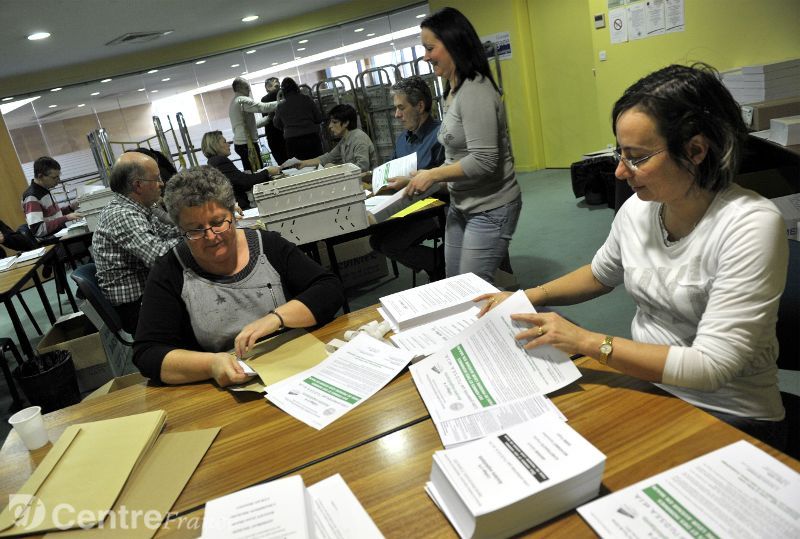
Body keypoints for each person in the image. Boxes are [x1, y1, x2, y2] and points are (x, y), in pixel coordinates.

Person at [479, 64, 789, 450]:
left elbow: (710, 367)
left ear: (695, 150)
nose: (621, 172)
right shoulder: (640, 210)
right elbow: (599, 274)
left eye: (637, 157)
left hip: (728, 413)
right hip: (648, 385)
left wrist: (587, 341)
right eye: (619, 153)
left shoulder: (749, 224)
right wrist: (526, 299)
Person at [133, 166, 344, 386]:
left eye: (218, 222)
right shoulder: (171, 270)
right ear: (180, 229)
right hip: (226, 388)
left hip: (294, 367)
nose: (211, 236)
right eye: (195, 230)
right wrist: (211, 365)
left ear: (234, 213)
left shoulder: (268, 246)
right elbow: (147, 353)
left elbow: (329, 288)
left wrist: (276, 318)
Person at [404, 7, 522, 284]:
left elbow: (483, 160)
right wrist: (413, 179)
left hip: (491, 207)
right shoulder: (452, 91)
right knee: (455, 286)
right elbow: (456, 158)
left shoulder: (476, 91)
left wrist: (432, 175)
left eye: (430, 48)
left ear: (454, 43)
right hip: (461, 205)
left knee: (471, 291)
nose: (425, 56)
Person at [92, 152, 182, 334]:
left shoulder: (139, 208)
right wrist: (196, 235)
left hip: (148, 292)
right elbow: (160, 257)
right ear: (138, 185)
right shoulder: (123, 214)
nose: (161, 184)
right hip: (136, 308)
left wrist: (196, 227)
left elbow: (168, 233)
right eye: (156, 179)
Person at [369, 76, 446, 281]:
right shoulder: (404, 138)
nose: (396, 115)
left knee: (389, 244)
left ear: (420, 106)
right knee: (376, 241)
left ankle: (440, 263)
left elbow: (447, 182)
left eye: (401, 108)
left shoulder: (441, 135)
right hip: (406, 206)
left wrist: (411, 182)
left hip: (434, 209)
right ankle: (437, 262)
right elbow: (392, 170)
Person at [201, 130, 280, 210]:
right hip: (240, 207)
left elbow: (237, 179)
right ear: (215, 145)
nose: (228, 144)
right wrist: (268, 172)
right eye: (224, 142)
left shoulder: (213, 161)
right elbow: (245, 181)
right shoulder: (220, 161)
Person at [294, 103, 378, 172]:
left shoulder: (359, 138)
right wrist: (303, 163)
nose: (330, 126)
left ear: (345, 123)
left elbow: (363, 168)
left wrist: (337, 168)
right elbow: (327, 158)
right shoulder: (345, 140)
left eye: (334, 122)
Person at [21, 156, 82, 241]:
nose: (58, 180)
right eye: (54, 177)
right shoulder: (32, 197)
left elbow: (53, 216)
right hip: (52, 242)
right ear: (40, 176)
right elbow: (38, 230)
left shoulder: (45, 189)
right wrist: (67, 218)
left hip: (60, 235)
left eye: (58, 176)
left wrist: (71, 208)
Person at [228, 76, 277, 172]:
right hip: (247, 144)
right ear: (239, 88)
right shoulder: (242, 100)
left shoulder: (234, 102)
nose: (249, 90)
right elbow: (262, 107)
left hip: (242, 143)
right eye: (247, 87)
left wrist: (267, 119)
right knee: (257, 172)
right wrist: (282, 102)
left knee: (252, 172)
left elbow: (250, 125)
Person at [272, 77, 325, 161]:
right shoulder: (307, 99)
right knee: (318, 164)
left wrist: (287, 127)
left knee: (298, 168)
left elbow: (276, 123)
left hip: (293, 141)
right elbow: (318, 118)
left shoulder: (281, 106)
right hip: (311, 138)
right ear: (296, 87)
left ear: (283, 91)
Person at [261, 77, 289, 166]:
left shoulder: (265, 99)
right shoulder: (286, 94)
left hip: (274, 136)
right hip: (285, 134)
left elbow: (267, 117)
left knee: (283, 164)